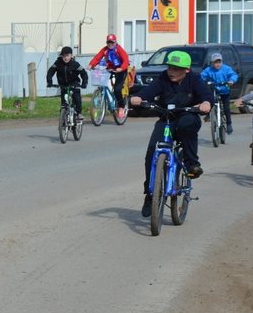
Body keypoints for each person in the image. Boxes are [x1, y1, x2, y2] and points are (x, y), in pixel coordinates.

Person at [130, 50, 212, 218]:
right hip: (167, 118)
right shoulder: (163, 78)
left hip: (187, 114)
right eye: (170, 67)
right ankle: (150, 194)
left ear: (186, 69)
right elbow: (149, 91)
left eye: (176, 68)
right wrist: (138, 97)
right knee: (153, 150)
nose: (171, 71)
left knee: (187, 126)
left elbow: (206, 95)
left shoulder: (194, 79)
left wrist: (205, 103)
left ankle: (191, 164)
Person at [89, 33, 130, 118]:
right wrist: (91, 65)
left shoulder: (119, 49)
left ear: (115, 42)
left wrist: (121, 68)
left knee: (117, 89)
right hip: (111, 69)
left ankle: (121, 107)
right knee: (102, 83)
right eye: (108, 42)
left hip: (121, 70)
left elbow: (126, 60)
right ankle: (107, 102)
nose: (110, 44)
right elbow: (97, 57)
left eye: (112, 42)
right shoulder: (105, 50)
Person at [200, 52, 238, 134]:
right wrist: (202, 82)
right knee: (210, 100)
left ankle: (229, 124)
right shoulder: (208, 70)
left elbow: (233, 75)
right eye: (215, 62)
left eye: (219, 62)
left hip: (225, 90)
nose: (217, 64)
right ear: (212, 63)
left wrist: (231, 80)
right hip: (214, 89)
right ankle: (209, 114)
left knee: (226, 108)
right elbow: (201, 76)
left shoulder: (226, 69)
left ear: (222, 62)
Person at [47, 46, 88, 121]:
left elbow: (83, 73)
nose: (65, 58)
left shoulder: (75, 64)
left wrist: (84, 83)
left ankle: (78, 113)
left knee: (77, 98)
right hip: (63, 85)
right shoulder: (58, 63)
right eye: (64, 56)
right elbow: (51, 71)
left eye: (67, 56)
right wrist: (49, 82)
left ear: (71, 55)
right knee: (64, 103)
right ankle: (63, 118)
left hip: (74, 84)